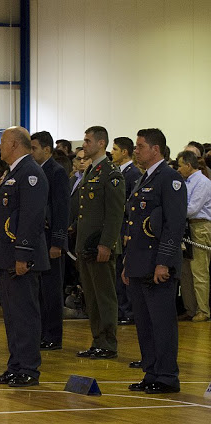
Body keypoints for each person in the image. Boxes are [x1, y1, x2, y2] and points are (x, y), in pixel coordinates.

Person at [122, 128, 187, 394]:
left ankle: (167, 376)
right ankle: (151, 372)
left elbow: (174, 225)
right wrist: (128, 263)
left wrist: (164, 262)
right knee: (145, 325)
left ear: (155, 149)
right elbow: (134, 226)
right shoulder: (143, 179)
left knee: (161, 324)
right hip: (139, 263)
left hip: (157, 264)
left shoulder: (169, 179)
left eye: (140, 146)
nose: (136, 150)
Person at [0, 126, 49, 387]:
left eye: (2, 143)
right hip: (7, 256)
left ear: (14, 144)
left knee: (24, 314)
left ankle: (29, 368)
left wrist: (22, 255)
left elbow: (31, 218)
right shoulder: (16, 172)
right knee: (12, 316)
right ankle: (16, 365)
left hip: (21, 257)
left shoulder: (31, 173)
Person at [75, 126, 125, 359]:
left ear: (101, 143)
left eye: (87, 141)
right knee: (91, 296)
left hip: (100, 247)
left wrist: (107, 244)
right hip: (87, 246)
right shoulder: (91, 171)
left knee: (104, 296)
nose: (84, 145)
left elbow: (114, 214)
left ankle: (108, 342)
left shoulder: (110, 173)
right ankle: (98, 340)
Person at [30, 131, 70, 351]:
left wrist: (58, 242)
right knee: (39, 291)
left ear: (47, 149)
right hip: (37, 240)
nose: (31, 151)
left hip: (50, 241)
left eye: (34, 148)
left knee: (52, 290)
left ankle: (53, 335)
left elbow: (62, 210)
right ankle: (41, 332)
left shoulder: (57, 172)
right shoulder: (35, 171)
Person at [111, 136, 143, 325]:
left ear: (124, 152)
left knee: (123, 269)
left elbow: (132, 205)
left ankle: (126, 310)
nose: (112, 153)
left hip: (125, 226)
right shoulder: (118, 172)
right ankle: (121, 308)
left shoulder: (131, 174)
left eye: (115, 149)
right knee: (117, 270)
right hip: (119, 226)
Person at [176, 150, 211, 322]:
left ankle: (203, 310)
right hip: (186, 228)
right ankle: (190, 308)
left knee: (199, 271)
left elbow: (193, 208)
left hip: (199, 227)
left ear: (188, 165)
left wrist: (172, 212)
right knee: (185, 272)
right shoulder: (186, 182)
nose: (178, 169)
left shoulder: (202, 182)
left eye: (180, 165)